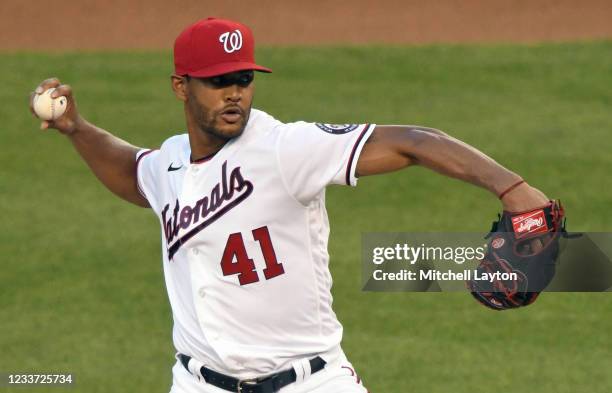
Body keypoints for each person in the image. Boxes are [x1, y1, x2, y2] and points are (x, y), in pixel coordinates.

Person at [30, 17, 549, 393]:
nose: (234, 94)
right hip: (197, 384)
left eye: (243, 79)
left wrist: (513, 189)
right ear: (181, 87)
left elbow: (414, 140)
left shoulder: (285, 148)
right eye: (217, 82)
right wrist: (77, 129)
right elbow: (133, 173)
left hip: (310, 383)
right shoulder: (169, 164)